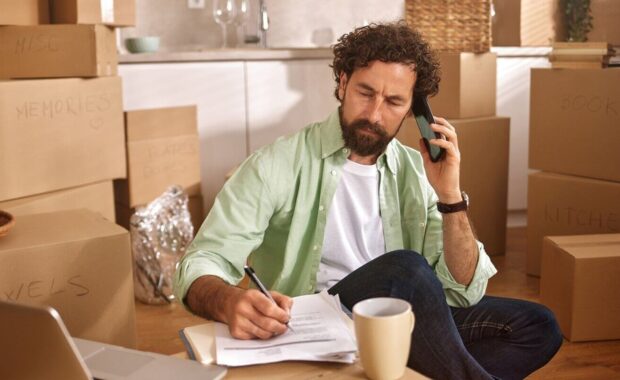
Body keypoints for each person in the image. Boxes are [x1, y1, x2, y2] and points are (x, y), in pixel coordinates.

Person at [174, 22, 562, 379]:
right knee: (405, 271)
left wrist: (449, 197)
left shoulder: (416, 170)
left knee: (540, 326)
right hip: (323, 323)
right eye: (365, 93)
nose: (374, 114)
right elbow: (202, 260)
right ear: (342, 83)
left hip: (401, 323)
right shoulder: (276, 164)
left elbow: (462, 290)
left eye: (394, 102)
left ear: (414, 110)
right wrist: (227, 301)